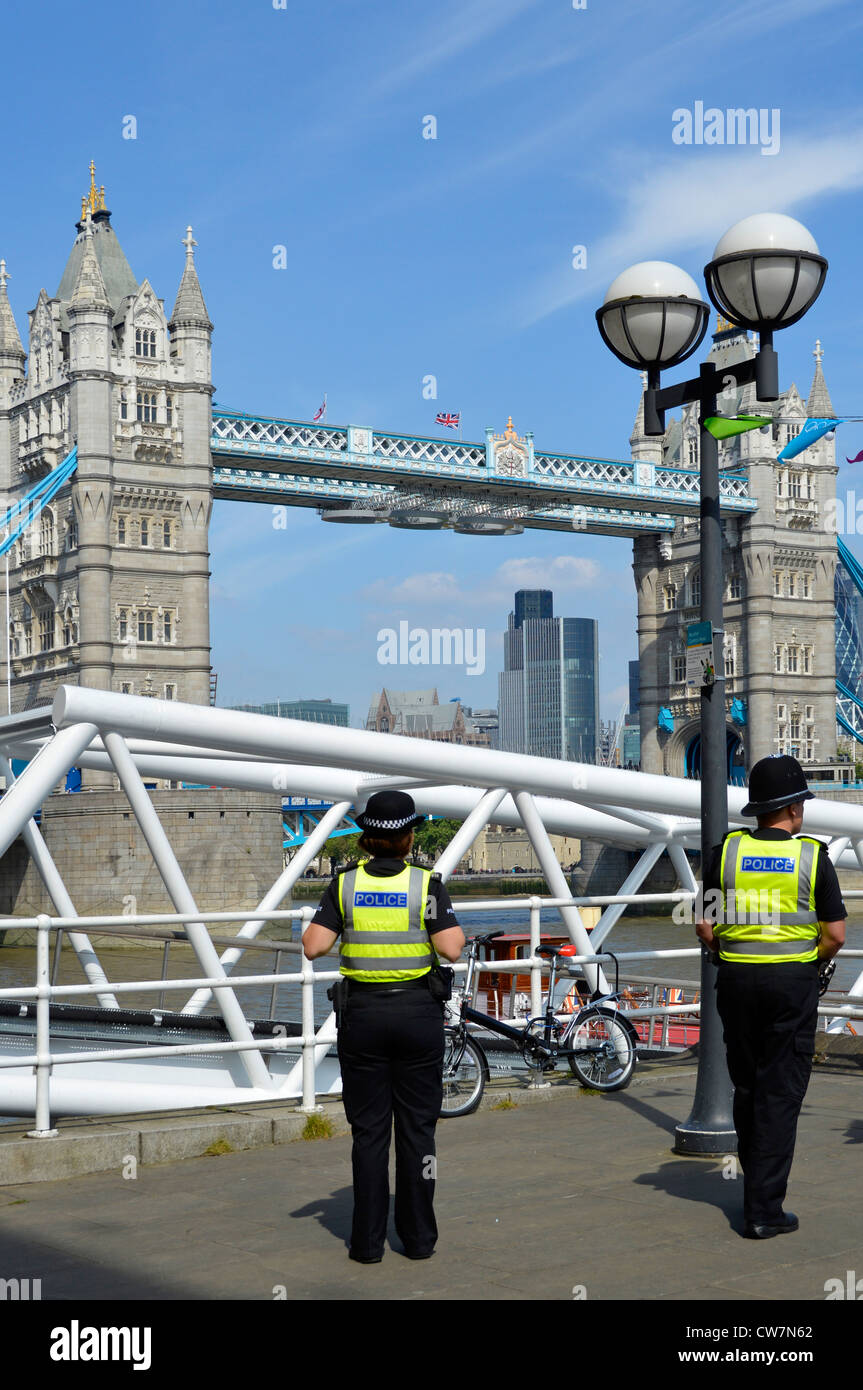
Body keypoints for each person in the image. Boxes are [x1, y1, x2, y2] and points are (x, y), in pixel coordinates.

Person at [302, 789, 465, 1263]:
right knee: (418, 1131)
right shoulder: (425, 885)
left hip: (364, 1019)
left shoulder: (344, 886)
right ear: (410, 837)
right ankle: (418, 1240)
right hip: (417, 1017)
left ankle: (368, 1245)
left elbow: (313, 946)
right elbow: (452, 948)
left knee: (369, 1133)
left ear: (367, 839)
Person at [696, 754, 845, 1239]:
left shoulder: (725, 853)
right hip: (791, 985)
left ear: (758, 809)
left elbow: (704, 923)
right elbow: (836, 935)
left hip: (736, 984)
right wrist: (810, 960)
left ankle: (754, 1193)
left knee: (749, 1087)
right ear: (795, 810)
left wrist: (728, 948)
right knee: (780, 1092)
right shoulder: (811, 856)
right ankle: (765, 1210)